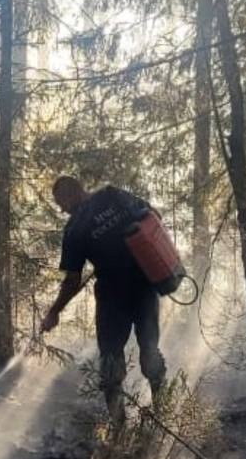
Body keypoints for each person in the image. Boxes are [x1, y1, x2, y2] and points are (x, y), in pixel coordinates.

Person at [40, 175, 167, 422]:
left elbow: (72, 281)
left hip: (119, 296)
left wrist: (54, 311)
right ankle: (152, 415)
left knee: (120, 360)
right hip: (139, 288)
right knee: (139, 353)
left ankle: (126, 424)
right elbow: (153, 216)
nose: (61, 209)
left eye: (61, 202)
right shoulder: (113, 195)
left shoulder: (76, 228)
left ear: (73, 193)